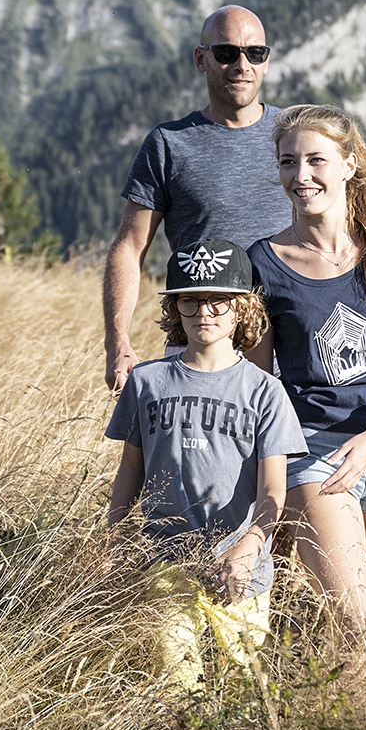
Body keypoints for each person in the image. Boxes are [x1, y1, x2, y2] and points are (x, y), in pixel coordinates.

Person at [244, 105, 366, 667]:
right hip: (315, 452)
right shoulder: (263, 262)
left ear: (350, 165)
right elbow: (259, 384)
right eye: (287, 163)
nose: (300, 176)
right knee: (356, 620)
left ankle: (350, 729)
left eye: (315, 160)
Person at [104, 240, 307, 693]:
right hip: (165, 561)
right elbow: (129, 473)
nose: (204, 312)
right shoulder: (147, 382)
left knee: (242, 684)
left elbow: (273, 491)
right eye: (190, 300)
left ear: (242, 309)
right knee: (175, 684)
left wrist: (251, 546)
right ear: (174, 308)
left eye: (218, 300)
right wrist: (113, 539)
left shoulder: (265, 391)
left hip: (240, 568)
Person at [105, 7, 291, 391]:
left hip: (293, 346)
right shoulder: (168, 143)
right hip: (197, 342)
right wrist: (117, 341)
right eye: (226, 53)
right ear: (200, 59)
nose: (242, 64)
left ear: (267, 61)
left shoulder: (295, 137)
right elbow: (129, 246)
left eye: (255, 53)